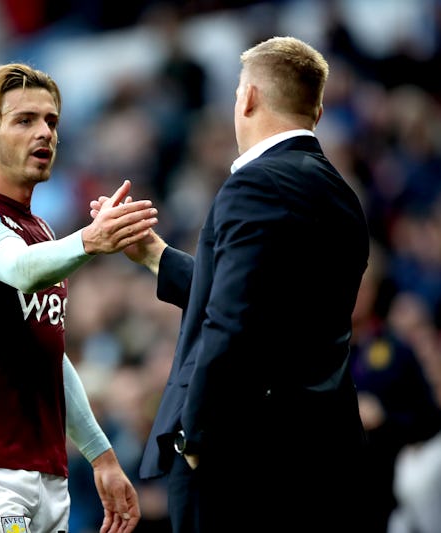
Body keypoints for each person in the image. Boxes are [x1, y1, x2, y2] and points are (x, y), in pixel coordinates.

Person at [92, 36, 372, 531]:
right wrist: (155, 255)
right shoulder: (342, 196)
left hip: (241, 461)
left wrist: (197, 439)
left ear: (247, 98)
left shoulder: (255, 184)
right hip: (322, 456)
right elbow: (261, 303)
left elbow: (233, 320)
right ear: (318, 110)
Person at [0, 62, 155, 533]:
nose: (44, 132)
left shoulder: (40, 230)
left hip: (47, 475)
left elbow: (49, 354)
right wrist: (90, 239)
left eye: (51, 121)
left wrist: (102, 456)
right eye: (24, 120)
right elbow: (20, 270)